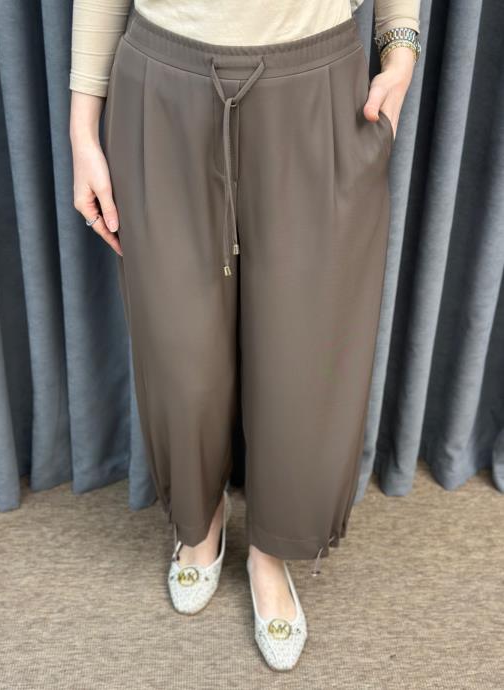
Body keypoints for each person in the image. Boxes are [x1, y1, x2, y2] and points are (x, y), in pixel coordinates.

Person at [69, 0, 421, 672]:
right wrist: (83, 129)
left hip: (317, 86)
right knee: (179, 350)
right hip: (164, 85)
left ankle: (272, 550)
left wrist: (399, 46)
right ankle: (199, 524)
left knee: (303, 354)